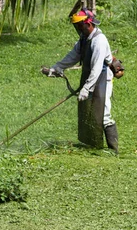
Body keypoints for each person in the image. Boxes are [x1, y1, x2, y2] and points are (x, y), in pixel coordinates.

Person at [47, 8, 118, 153]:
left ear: (88, 23)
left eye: (80, 25)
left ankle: (113, 148)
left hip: (102, 78)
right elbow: (73, 56)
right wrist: (57, 67)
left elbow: (97, 68)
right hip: (90, 78)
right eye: (77, 25)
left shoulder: (99, 40)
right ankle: (93, 144)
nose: (78, 28)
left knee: (103, 114)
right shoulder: (84, 39)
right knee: (88, 111)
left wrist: (86, 88)